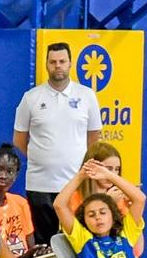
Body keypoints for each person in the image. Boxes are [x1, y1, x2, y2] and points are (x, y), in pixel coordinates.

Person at [13, 41, 104, 244]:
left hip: (76, 184)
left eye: (62, 61)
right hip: (40, 185)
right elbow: (19, 140)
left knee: (78, 240)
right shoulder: (31, 98)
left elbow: (94, 137)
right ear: (46, 64)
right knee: (45, 243)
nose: (58, 66)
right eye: (53, 61)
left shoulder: (87, 96)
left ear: (70, 63)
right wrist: (43, 157)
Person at [0, 144, 34, 257]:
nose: (3, 176)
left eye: (10, 172)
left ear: (16, 176)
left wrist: (35, 254)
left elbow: (30, 241)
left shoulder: (20, 202)